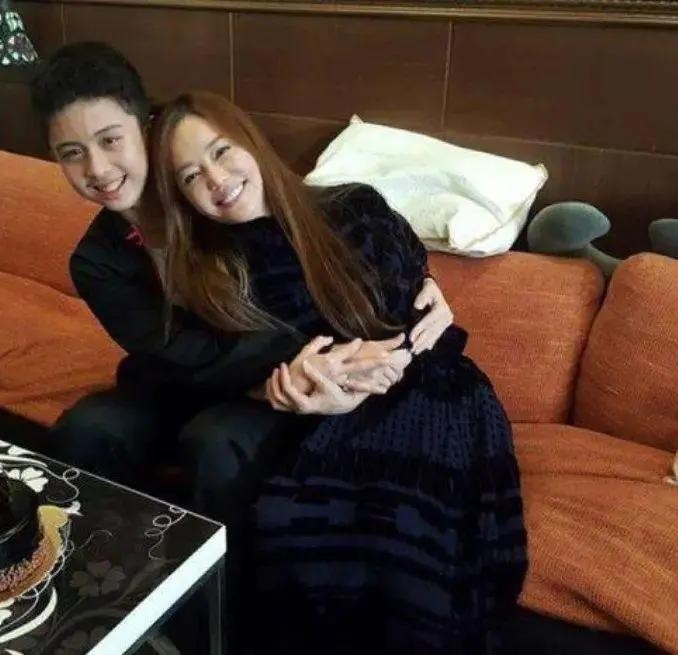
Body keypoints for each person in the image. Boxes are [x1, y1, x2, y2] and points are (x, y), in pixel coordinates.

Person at [30, 43, 456, 648]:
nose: (97, 169)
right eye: (71, 154)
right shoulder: (97, 259)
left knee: (217, 441)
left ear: (146, 126)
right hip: (185, 377)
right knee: (88, 429)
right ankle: (101, 607)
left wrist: (419, 288)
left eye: (110, 140)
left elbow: (318, 258)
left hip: (269, 381)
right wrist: (317, 360)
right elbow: (176, 354)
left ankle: (222, 627)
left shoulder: (214, 199)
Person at [147, 90, 528, 654]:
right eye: (190, 176)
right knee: (300, 530)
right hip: (327, 418)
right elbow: (233, 367)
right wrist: (298, 391)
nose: (217, 179)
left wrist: (403, 346)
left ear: (251, 141)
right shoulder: (212, 272)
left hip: (435, 388)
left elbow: (417, 308)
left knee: (405, 537)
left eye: (222, 151)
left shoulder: (354, 205)